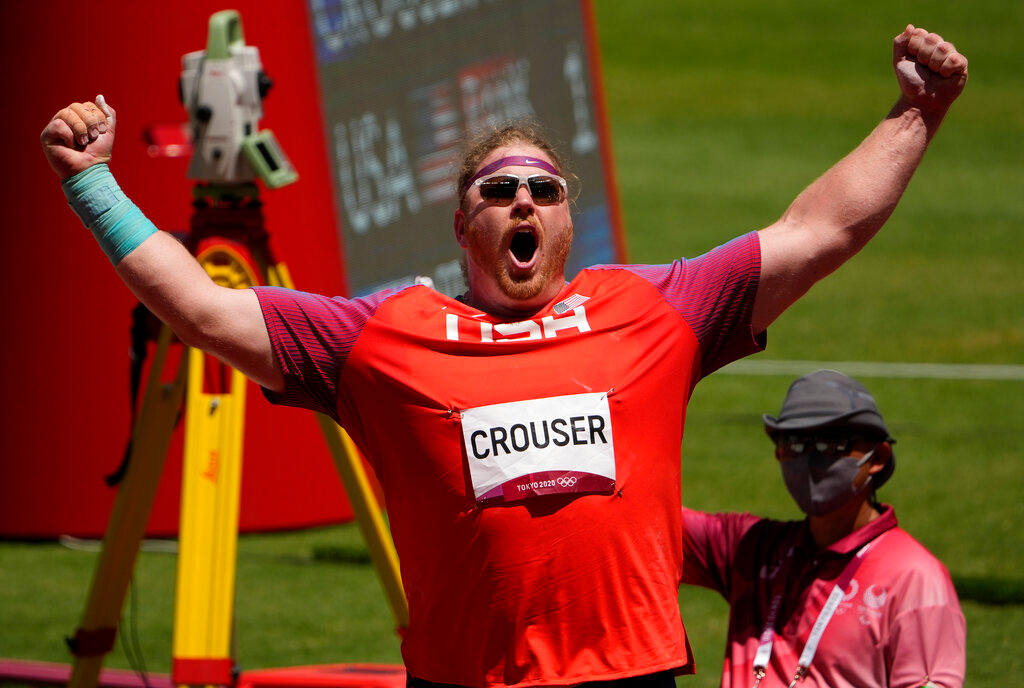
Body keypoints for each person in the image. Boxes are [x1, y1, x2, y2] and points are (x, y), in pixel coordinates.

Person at [41, 24, 967, 688]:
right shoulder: (381, 336)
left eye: (543, 188)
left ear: (568, 216)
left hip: (629, 677)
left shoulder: (650, 307)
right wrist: (92, 184)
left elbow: (816, 231)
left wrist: (916, 113)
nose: (523, 200)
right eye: (500, 189)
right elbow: (204, 307)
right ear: (463, 224)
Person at [682, 370, 966, 688]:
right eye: (793, 444)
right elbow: (643, 522)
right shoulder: (752, 549)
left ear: (878, 457)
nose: (808, 459)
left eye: (829, 444)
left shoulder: (914, 578)